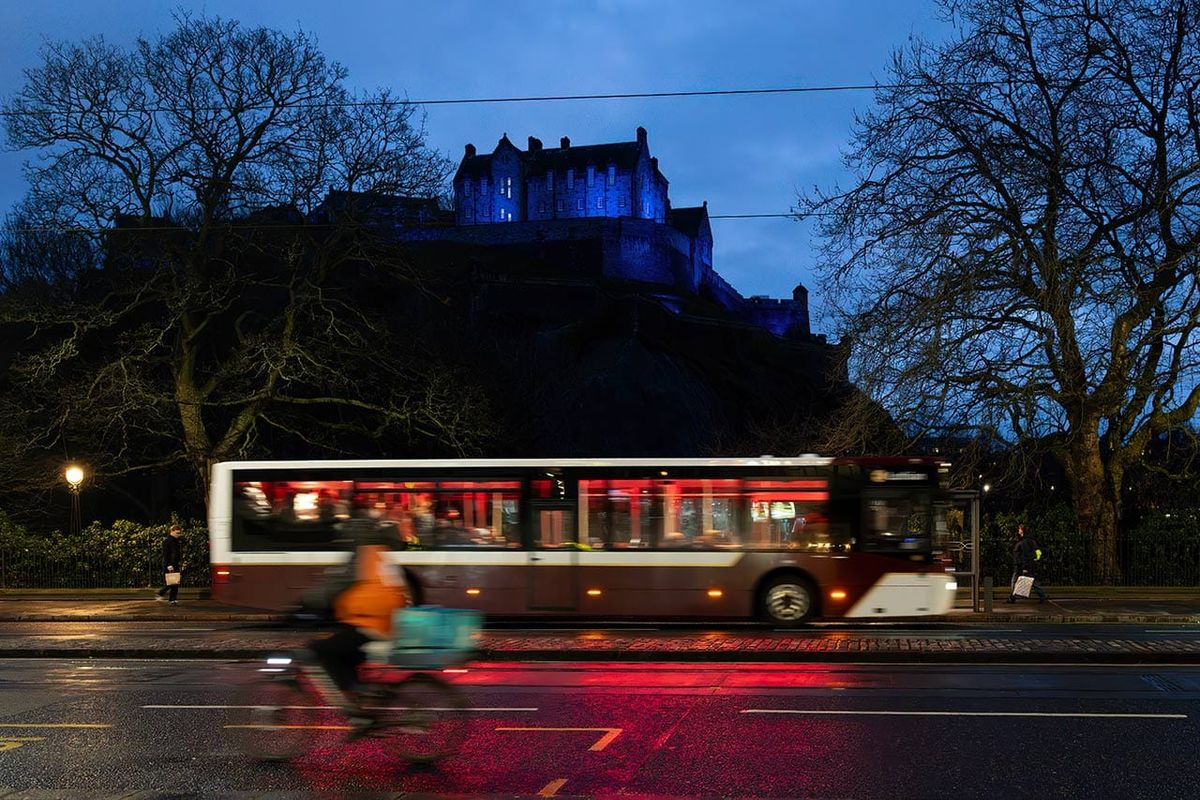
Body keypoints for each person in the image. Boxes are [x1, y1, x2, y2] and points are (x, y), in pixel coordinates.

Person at [308, 523, 409, 724]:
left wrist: (304, 605)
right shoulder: (381, 554)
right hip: (384, 622)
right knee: (347, 655)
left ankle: (358, 698)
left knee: (323, 650)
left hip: (369, 621)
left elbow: (335, 586)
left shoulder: (361, 555)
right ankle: (359, 710)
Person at [1006, 523, 1048, 603]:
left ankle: (1012, 597)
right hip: (1022, 565)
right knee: (1030, 581)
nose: (1018, 530)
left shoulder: (1024, 541)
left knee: (1016, 581)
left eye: (1019, 529)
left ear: (1022, 530)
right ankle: (1042, 594)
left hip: (1021, 566)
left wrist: (1025, 567)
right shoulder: (1025, 540)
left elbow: (1026, 555)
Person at [154, 524, 184, 604]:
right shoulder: (167, 541)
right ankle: (160, 593)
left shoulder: (176, 541)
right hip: (169, 565)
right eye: (177, 533)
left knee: (175, 582)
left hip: (175, 564)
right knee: (171, 582)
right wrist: (169, 565)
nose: (179, 535)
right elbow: (166, 554)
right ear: (172, 532)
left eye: (179, 533)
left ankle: (172, 599)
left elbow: (177, 554)